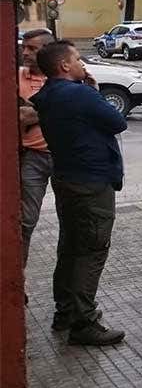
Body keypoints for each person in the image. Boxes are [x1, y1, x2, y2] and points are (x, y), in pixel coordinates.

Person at [30, 41, 127, 346]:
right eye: (77, 59)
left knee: (71, 246)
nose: (82, 63)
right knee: (92, 249)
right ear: (64, 65)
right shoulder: (80, 94)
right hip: (91, 181)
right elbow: (117, 122)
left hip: (67, 177)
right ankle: (84, 322)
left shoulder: (47, 95)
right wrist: (93, 92)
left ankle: (65, 312)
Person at [18, 29, 56, 268]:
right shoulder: (15, 77)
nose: (25, 53)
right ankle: (18, 274)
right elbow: (19, 117)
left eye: (32, 48)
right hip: (32, 157)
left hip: (65, 158)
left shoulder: (64, 75)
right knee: (25, 221)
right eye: (24, 47)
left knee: (74, 219)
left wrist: (35, 111)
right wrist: (57, 109)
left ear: (47, 51)